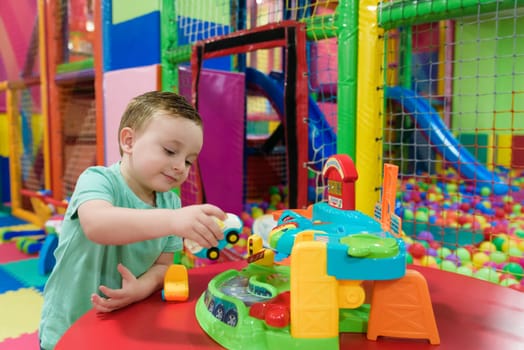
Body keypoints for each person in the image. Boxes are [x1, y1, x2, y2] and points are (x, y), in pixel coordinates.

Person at [39, 91, 226, 349]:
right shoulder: (98, 180)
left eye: (188, 161)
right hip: (69, 326)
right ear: (128, 141)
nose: (180, 167)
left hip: (125, 326)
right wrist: (173, 221)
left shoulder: (170, 203)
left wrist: (141, 287)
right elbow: (98, 225)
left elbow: (164, 266)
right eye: (170, 151)